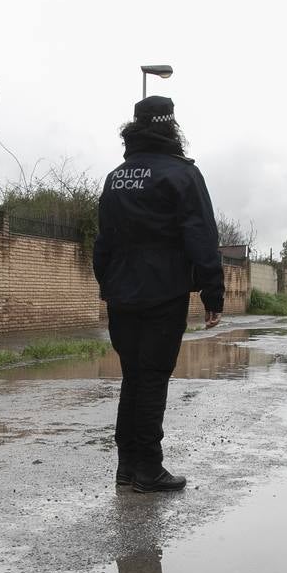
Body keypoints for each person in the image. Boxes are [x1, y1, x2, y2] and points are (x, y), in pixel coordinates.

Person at [92, 95, 224, 493]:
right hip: (163, 292)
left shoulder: (115, 177)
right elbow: (201, 236)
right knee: (152, 378)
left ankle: (127, 466)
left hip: (121, 294)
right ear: (171, 127)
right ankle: (149, 468)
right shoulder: (181, 175)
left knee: (133, 376)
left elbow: (103, 242)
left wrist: (107, 284)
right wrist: (212, 294)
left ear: (134, 127)